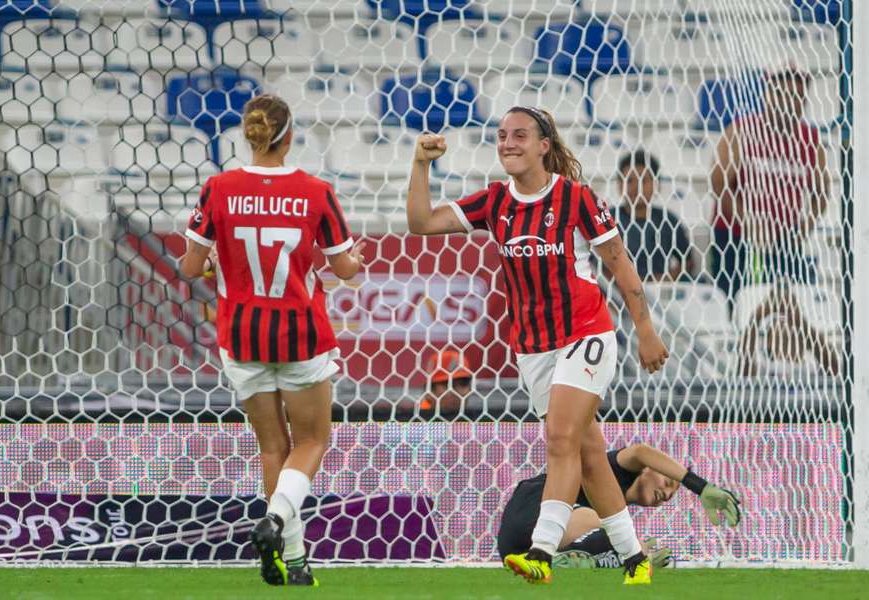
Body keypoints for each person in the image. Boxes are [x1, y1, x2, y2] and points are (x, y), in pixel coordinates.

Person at [406, 106, 669, 585]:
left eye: (519, 135)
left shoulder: (575, 199)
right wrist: (421, 163)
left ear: (544, 145)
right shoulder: (493, 202)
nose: (507, 142)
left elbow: (619, 261)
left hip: (587, 332)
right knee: (589, 456)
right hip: (534, 348)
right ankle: (636, 560)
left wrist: (644, 330)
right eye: (502, 135)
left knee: (560, 439)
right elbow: (421, 222)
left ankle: (542, 553)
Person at [179, 94, 365, 587]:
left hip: (241, 336)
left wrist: (221, 263)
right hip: (300, 334)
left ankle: (295, 561)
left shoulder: (218, 188)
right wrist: (356, 259)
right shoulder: (315, 192)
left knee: (272, 448)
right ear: (289, 136)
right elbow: (347, 270)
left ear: (251, 134)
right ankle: (278, 521)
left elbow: (190, 267)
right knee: (311, 440)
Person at [497, 444, 741, 569]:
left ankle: (567, 561)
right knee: (629, 544)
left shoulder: (614, 506)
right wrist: (699, 486)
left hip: (514, 548)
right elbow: (641, 451)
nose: (666, 494)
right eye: (667, 482)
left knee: (618, 541)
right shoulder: (616, 468)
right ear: (646, 469)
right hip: (537, 506)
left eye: (671, 494)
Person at [710, 63, 828, 312]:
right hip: (736, 237)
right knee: (737, 306)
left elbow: (822, 192)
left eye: (797, 95)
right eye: (782, 93)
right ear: (768, 94)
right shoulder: (743, 129)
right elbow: (719, 184)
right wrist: (748, 222)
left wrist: (801, 229)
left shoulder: (810, 139)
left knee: (781, 311)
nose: (789, 102)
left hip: (783, 241)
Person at [614, 150, 693, 282]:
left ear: (656, 185)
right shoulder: (608, 220)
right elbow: (596, 264)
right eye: (630, 180)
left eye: (643, 180)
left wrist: (665, 280)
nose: (636, 187)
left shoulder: (668, 221)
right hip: (617, 294)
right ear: (619, 185)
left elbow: (687, 262)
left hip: (660, 293)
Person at [737, 287, 839, 376]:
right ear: (767, 343)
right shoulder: (764, 367)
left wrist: (800, 322)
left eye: (794, 330)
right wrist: (757, 317)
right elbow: (745, 369)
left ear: (804, 343)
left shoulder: (811, 367)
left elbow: (833, 368)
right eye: (778, 325)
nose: (786, 326)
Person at [420, 349, 473, 420]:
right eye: (448, 385)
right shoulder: (411, 423)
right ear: (429, 391)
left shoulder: (481, 423)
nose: (457, 392)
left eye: (463, 384)